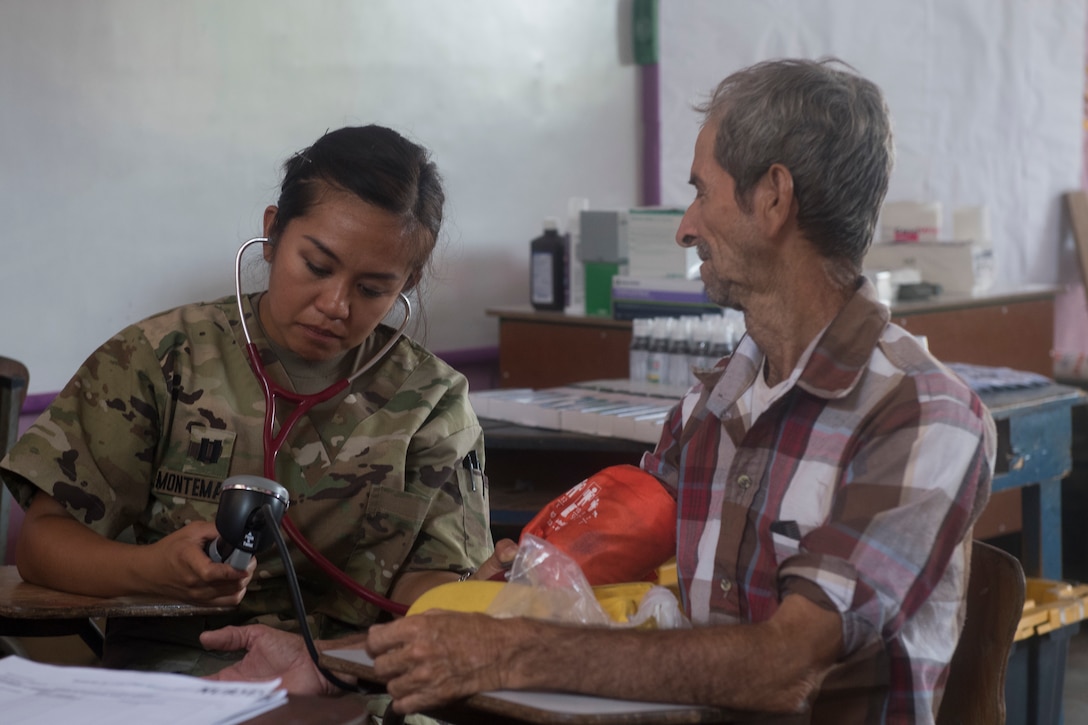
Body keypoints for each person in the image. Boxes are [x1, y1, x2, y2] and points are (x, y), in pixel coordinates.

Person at [200, 58, 995, 724]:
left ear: (773, 197)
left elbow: (783, 667)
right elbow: (589, 599)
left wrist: (511, 648)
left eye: (701, 191)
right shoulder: (719, 399)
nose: (685, 226)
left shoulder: (922, 414)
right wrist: (328, 658)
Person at [0, 125, 508, 674]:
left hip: (359, 677)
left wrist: (484, 591)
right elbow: (42, 546)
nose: (335, 304)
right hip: (188, 674)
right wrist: (151, 569)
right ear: (271, 235)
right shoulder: (157, 360)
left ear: (405, 283)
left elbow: (427, 585)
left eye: (371, 289)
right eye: (316, 266)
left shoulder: (433, 404)